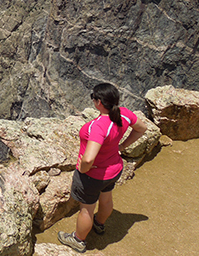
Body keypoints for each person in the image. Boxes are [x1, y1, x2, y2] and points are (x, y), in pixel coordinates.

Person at [58, 83, 148, 253]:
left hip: (93, 175)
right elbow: (141, 129)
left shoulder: (99, 126)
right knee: (106, 199)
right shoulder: (125, 114)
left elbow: (89, 158)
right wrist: (122, 146)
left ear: (99, 102)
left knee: (86, 209)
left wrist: (83, 170)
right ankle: (99, 225)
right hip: (114, 170)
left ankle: (78, 240)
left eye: (93, 97)